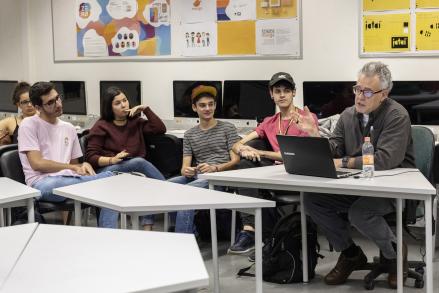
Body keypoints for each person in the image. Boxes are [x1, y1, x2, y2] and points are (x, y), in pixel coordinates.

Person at [300, 61, 415, 288]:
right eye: (357, 89)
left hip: (394, 189)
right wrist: (315, 136)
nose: (360, 96)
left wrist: (344, 161)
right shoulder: (347, 115)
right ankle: (351, 254)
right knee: (312, 199)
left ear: (384, 94)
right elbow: (334, 149)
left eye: (368, 91)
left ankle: (394, 255)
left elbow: (384, 159)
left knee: (360, 213)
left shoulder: (397, 116)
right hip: (358, 184)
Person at [228, 72, 319, 254]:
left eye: (286, 90)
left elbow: (293, 156)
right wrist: (244, 149)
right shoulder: (269, 122)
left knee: (252, 166)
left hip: (298, 174)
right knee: (245, 164)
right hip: (274, 176)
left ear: (294, 93)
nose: (282, 95)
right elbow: (237, 144)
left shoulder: (306, 119)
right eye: (277, 91)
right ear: (271, 94)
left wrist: (260, 152)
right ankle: (250, 231)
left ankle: (268, 239)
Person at [18, 81, 118, 228]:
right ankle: (108, 180)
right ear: (38, 107)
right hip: (41, 183)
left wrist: (82, 165)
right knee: (108, 180)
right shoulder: (29, 125)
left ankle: (109, 237)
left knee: (108, 186)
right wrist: (72, 168)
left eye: (58, 98)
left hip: (68, 179)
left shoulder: (69, 128)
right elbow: (37, 164)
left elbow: (74, 164)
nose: (58, 104)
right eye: (50, 102)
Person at [86, 86, 167, 230]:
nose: (124, 105)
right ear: (109, 108)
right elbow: (91, 157)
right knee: (140, 162)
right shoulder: (102, 126)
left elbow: (160, 129)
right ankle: (169, 190)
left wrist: (145, 109)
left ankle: (147, 228)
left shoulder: (135, 122)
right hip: (109, 169)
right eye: (117, 103)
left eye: (125, 100)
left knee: (149, 184)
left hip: (133, 171)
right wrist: (112, 159)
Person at [168, 84, 240, 234]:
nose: (207, 108)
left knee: (187, 192)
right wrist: (188, 170)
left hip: (220, 178)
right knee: (167, 187)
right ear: (194, 108)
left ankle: (183, 241)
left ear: (214, 106)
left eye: (210, 104)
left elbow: (235, 161)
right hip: (199, 175)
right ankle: (190, 231)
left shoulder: (228, 128)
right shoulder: (189, 134)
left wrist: (215, 168)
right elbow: (183, 168)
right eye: (202, 105)